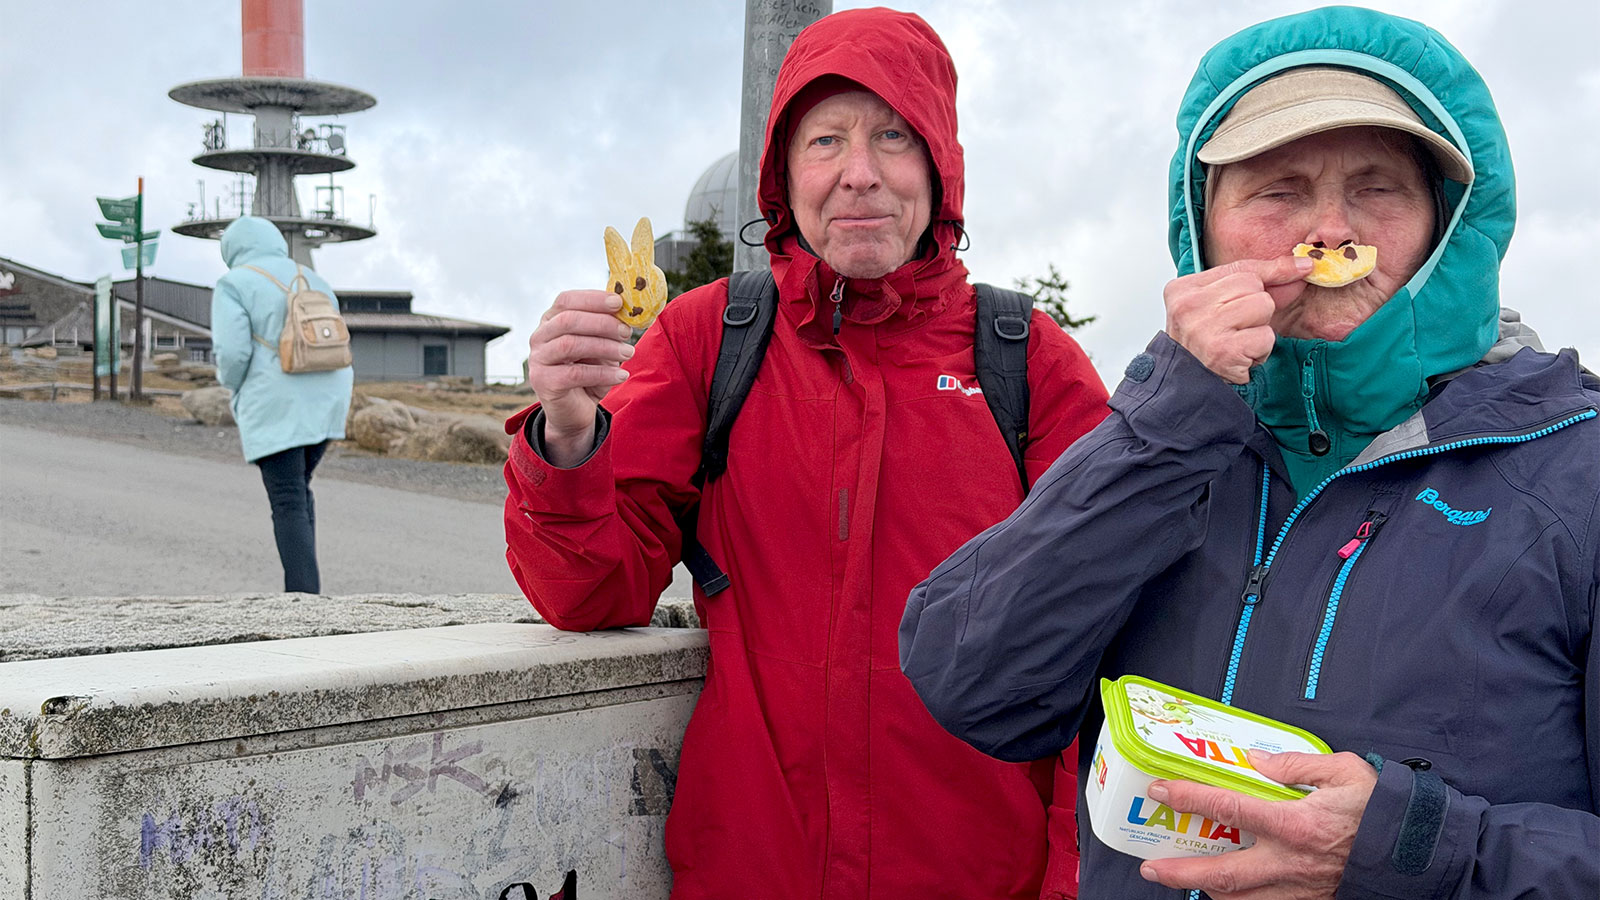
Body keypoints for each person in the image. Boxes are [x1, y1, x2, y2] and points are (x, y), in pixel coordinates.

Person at [900, 7, 1598, 900]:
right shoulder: (1160, 450)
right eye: (1279, 190)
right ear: (1205, 227)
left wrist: (1414, 850)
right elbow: (974, 685)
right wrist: (1168, 422)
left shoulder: (1573, 472)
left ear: (1446, 228)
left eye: (1379, 187)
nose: (1331, 230)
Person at [502, 8, 1109, 897]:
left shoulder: (1028, 361)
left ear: (941, 167)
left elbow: (1108, 653)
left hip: (979, 877)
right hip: (751, 870)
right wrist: (565, 435)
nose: (858, 174)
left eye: (894, 136)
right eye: (824, 140)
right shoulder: (712, 336)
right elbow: (590, 591)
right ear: (784, 175)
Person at [211, 216, 353, 594]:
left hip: (277, 403)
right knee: (299, 490)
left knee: (288, 498)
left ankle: (303, 598)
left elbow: (233, 352)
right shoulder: (313, 278)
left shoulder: (234, 283)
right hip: (329, 399)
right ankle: (307, 590)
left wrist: (232, 387)